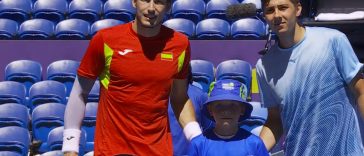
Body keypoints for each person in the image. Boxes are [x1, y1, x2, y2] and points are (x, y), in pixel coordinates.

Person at [61, 0, 202, 155]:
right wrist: (70, 148)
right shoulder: (105, 40)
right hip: (112, 151)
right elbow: (80, 93)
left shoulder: (180, 44)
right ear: (134, 2)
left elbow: (179, 98)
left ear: (168, 6)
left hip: (158, 150)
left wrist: (196, 138)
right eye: (145, 0)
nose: (151, 8)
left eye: (159, 2)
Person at [256, 0, 364, 155]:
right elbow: (275, 120)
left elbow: (361, 90)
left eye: (283, 8)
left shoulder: (333, 40)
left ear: (298, 9)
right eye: (270, 10)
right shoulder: (264, 65)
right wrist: (254, 150)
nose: (277, 15)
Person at [188, 79, 269, 156]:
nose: (226, 111)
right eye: (219, 105)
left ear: (242, 109)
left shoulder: (255, 144)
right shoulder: (198, 144)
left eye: (233, 105)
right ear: (210, 110)